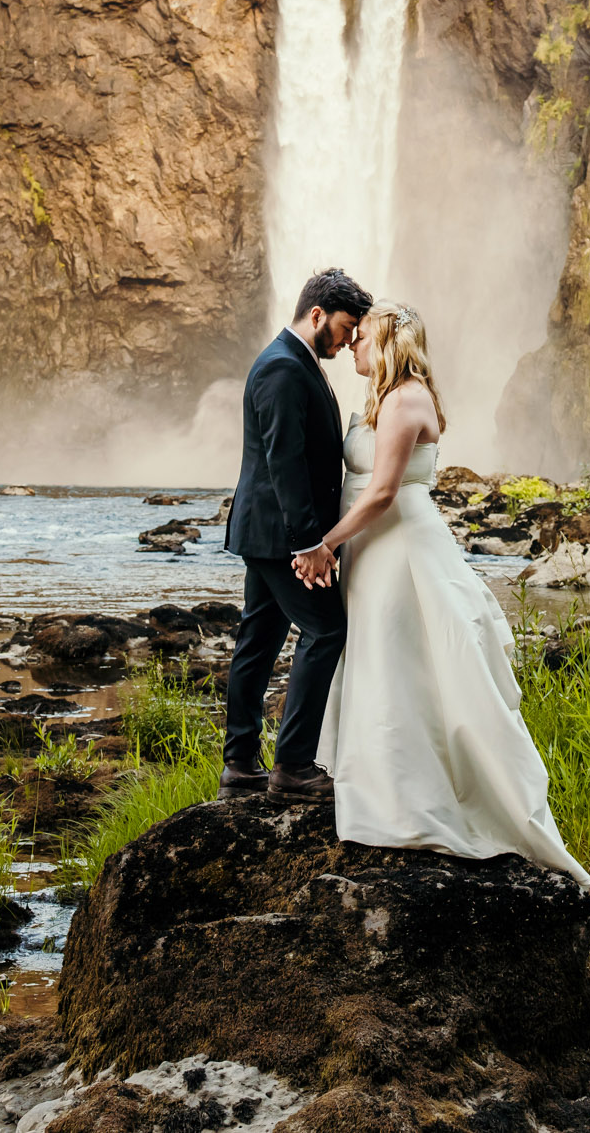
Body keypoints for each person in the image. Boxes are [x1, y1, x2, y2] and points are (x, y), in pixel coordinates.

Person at [304, 299, 589, 884]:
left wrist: (324, 545)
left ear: (387, 343)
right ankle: (381, 794)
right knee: (381, 665)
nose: (352, 343)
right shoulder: (381, 398)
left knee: (404, 666)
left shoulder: (407, 397)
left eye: (362, 336)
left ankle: (417, 807)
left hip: (400, 547)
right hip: (374, 549)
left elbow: (382, 492)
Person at [220, 267, 372, 803]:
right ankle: (293, 767)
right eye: (346, 326)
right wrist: (311, 544)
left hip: (267, 531)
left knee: (258, 641)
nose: (351, 338)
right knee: (327, 631)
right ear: (317, 315)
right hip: (281, 535)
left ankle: (240, 766)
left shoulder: (293, 360)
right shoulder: (284, 367)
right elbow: (284, 463)